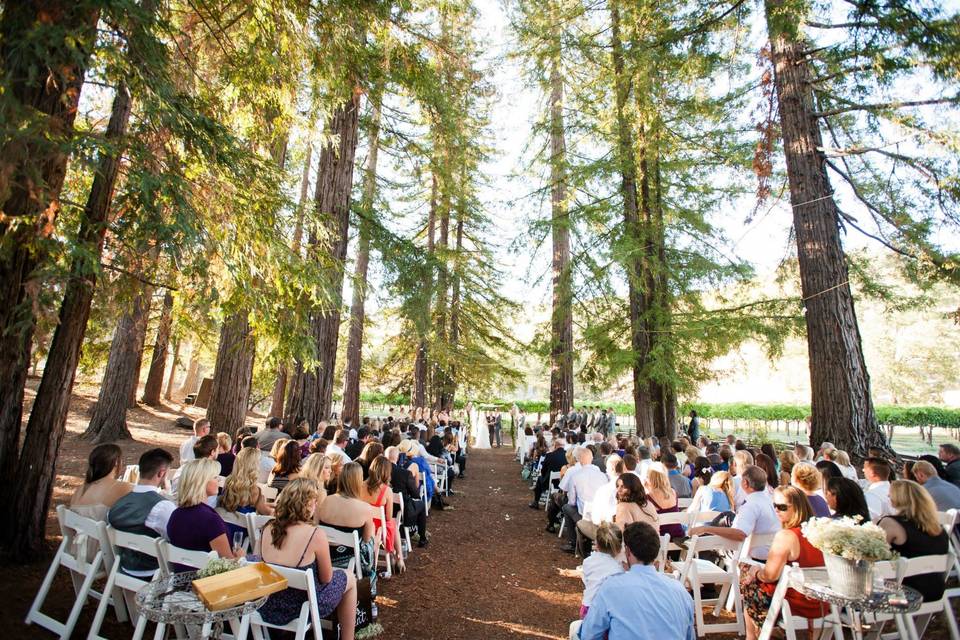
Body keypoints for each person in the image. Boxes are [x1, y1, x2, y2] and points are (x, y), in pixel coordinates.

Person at [257, 478, 357, 640]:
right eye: (314, 501)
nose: (316, 505)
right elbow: (326, 578)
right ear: (306, 503)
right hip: (302, 607)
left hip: (268, 605)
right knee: (350, 578)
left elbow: (257, 563)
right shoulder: (315, 535)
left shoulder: (267, 528)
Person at [575, 522, 695, 640]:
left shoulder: (611, 587)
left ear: (627, 551)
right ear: (656, 552)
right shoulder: (681, 592)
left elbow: (589, 634)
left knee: (575, 629)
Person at [739, 486, 828, 640]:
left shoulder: (787, 536)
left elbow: (770, 576)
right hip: (822, 601)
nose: (776, 510)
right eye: (774, 505)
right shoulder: (819, 532)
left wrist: (755, 572)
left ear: (798, 508)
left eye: (782, 507)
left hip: (794, 601)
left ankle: (752, 636)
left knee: (748, 576)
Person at [107, 448, 176, 577]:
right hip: (155, 573)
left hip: (122, 568)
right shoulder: (162, 506)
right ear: (161, 473)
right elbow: (175, 539)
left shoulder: (118, 504)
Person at [878, 480, 950, 602]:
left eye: (891, 493)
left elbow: (872, 555)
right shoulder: (939, 528)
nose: (888, 496)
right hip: (935, 591)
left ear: (899, 498)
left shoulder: (891, 523)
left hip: (903, 594)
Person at [689, 466, 780, 559]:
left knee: (710, 542)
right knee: (725, 518)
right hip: (771, 551)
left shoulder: (751, 505)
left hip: (749, 555)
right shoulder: (769, 501)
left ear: (745, 483)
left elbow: (740, 534)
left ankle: (699, 561)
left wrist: (706, 529)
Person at [315, 463, 378, 596]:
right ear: (358, 481)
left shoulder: (325, 501)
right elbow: (366, 540)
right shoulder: (365, 508)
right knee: (373, 540)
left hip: (324, 556)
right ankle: (369, 592)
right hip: (351, 560)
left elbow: (315, 528)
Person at [166, 458, 242, 565]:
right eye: (215, 477)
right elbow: (228, 564)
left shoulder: (175, 514)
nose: (218, 481)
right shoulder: (211, 520)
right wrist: (240, 558)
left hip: (180, 577)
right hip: (207, 579)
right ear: (202, 482)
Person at [560, 448, 609, 553]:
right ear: (591, 458)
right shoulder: (602, 475)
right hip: (603, 515)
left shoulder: (575, 476)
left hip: (584, 514)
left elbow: (572, 502)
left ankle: (572, 542)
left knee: (566, 507)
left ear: (578, 460)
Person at [220, 447, 274, 539]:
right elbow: (266, 512)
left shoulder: (228, 482)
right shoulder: (255, 490)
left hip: (224, 528)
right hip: (243, 533)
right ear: (254, 466)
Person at [70, 443, 133, 521]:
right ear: (116, 462)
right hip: (100, 532)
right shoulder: (121, 486)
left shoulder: (79, 489)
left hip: (81, 532)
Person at [363, 456, 404, 572]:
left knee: (391, 524)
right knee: (392, 523)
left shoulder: (360, 485)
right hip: (378, 528)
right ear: (387, 472)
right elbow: (388, 516)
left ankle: (398, 557)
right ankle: (399, 557)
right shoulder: (387, 490)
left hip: (361, 524)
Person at [578, 523, 624, 619]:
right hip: (605, 611)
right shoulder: (618, 569)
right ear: (619, 548)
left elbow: (586, 581)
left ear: (596, 544)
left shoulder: (588, 562)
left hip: (587, 607)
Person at [385, 446, 428, 547]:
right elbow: (415, 494)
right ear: (398, 457)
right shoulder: (404, 473)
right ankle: (422, 538)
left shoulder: (379, 471)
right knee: (421, 504)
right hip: (399, 508)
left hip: (383, 507)